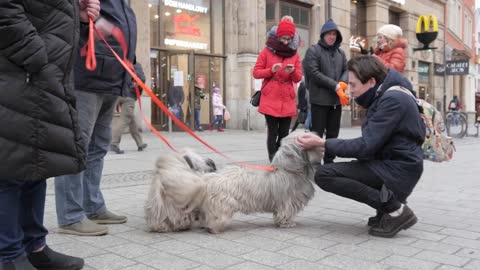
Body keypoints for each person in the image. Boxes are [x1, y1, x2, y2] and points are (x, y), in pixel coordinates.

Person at [0, 0, 100, 269]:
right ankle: (8, 256)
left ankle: (34, 247)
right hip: (19, 73)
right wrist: (37, 57)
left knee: (35, 164)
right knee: (10, 168)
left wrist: (78, 18)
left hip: (42, 77)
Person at [297, 56, 425, 238]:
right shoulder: (384, 94)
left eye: (354, 84)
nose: (351, 90)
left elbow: (366, 146)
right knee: (348, 167)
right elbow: (372, 144)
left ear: (371, 81)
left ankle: (394, 209)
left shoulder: (392, 100)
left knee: (325, 174)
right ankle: (386, 208)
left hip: (399, 170)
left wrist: (324, 143)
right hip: (394, 164)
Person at [55, 0, 138, 236]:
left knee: (98, 147)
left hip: (112, 78)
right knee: (77, 146)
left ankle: (92, 206)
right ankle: (70, 215)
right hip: (86, 75)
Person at [253, 18, 303, 161]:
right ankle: (273, 161)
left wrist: (292, 71)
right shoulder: (267, 51)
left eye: (289, 39)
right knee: (273, 132)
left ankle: (281, 160)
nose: (286, 42)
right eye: (283, 38)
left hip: (287, 98)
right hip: (270, 97)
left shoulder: (294, 54)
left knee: (284, 134)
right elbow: (256, 72)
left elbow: (298, 77)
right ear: (278, 36)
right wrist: (271, 70)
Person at [302, 18, 349, 164]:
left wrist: (342, 82)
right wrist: (335, 85)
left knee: (333, 134)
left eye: (334, 34)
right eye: (329, 34)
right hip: (319, 100)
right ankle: (315, 163)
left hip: (336, 101)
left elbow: (347, 69)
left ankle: (329, 162)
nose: (332, 36)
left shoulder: (341, 53)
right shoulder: (313, 50)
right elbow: (313, 73)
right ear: (323, 35)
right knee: (317, 133)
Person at [110, 63, 148, 154]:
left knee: (131, 120)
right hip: (128, 96)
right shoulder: (134, 63)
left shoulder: (118, 62)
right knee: (124, 120)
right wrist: (136, 82)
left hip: (116, 94)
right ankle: (114, 143)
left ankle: (140, 143)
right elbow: (141, 78)